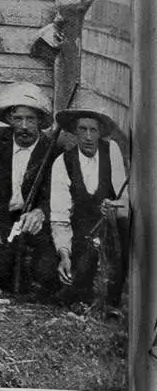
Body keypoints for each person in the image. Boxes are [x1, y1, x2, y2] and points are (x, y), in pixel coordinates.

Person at [0, 82, 60, 294]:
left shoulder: (52, 151)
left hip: (34, 222)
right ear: (9, 120)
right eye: (18, 119)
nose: (24, 126)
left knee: (46, 273)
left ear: (41, 122)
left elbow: (60, 194)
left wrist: (42, 211)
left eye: (30, 119)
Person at [50, 108, 129, 310]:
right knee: (79, 271)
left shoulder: (111, 150)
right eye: (82, 129)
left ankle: (112, 301)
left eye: (93, 130)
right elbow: (60, 214)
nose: (87, 136)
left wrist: (114, 207)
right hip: (82, 228)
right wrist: (64, 254)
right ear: (74, 132)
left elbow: (124, 198)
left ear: (100, 132)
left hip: (112, 224)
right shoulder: (63, 162)